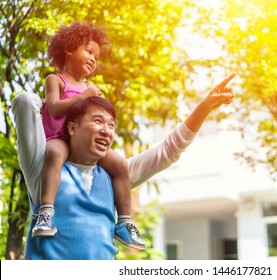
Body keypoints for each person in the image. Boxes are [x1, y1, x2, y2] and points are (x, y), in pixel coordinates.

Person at [11, 72, 236, 260]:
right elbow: (24, 102)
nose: (106, 130)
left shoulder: (114, 177)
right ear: (72, 128)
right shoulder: (43, 170)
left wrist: (205, 107)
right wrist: (52, 107)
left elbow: (168, 150)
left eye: (111, 125)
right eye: (97, 121)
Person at [33, 22, 145, 250]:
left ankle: (124, 223)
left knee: (121, 165)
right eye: (89, 51)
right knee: (54, 154)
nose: (94, 59)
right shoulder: (55, 80)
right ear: (69, 49)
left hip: (84, 143)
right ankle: (46, 212)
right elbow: (54, 108)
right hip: (60, 138)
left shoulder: (90, 86)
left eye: (97, 56)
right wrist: (84, 96)